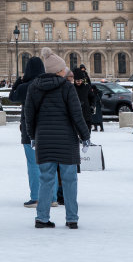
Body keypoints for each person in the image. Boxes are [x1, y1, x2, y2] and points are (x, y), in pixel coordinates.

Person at [22, 52, 89, 229]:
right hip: (66, 140)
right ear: (58, 71)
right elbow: (77, 115)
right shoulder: (67, 87)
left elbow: (29, 115)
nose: (65, 71)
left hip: (44, 139)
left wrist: (32, 135)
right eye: (63, 68)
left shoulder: (34, 87)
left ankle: (42, 218)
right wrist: (85, 136)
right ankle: (72, 218)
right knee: (69, 180)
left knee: (46, 179)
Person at [10, 56, 46, 206]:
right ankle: (52, 198)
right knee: (49, 163)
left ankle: (36, 196)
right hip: (48, 128)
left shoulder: (25, 87)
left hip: (29, 129)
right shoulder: (49, 84)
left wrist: (18, 82)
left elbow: (12, 97)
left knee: (33, 164)